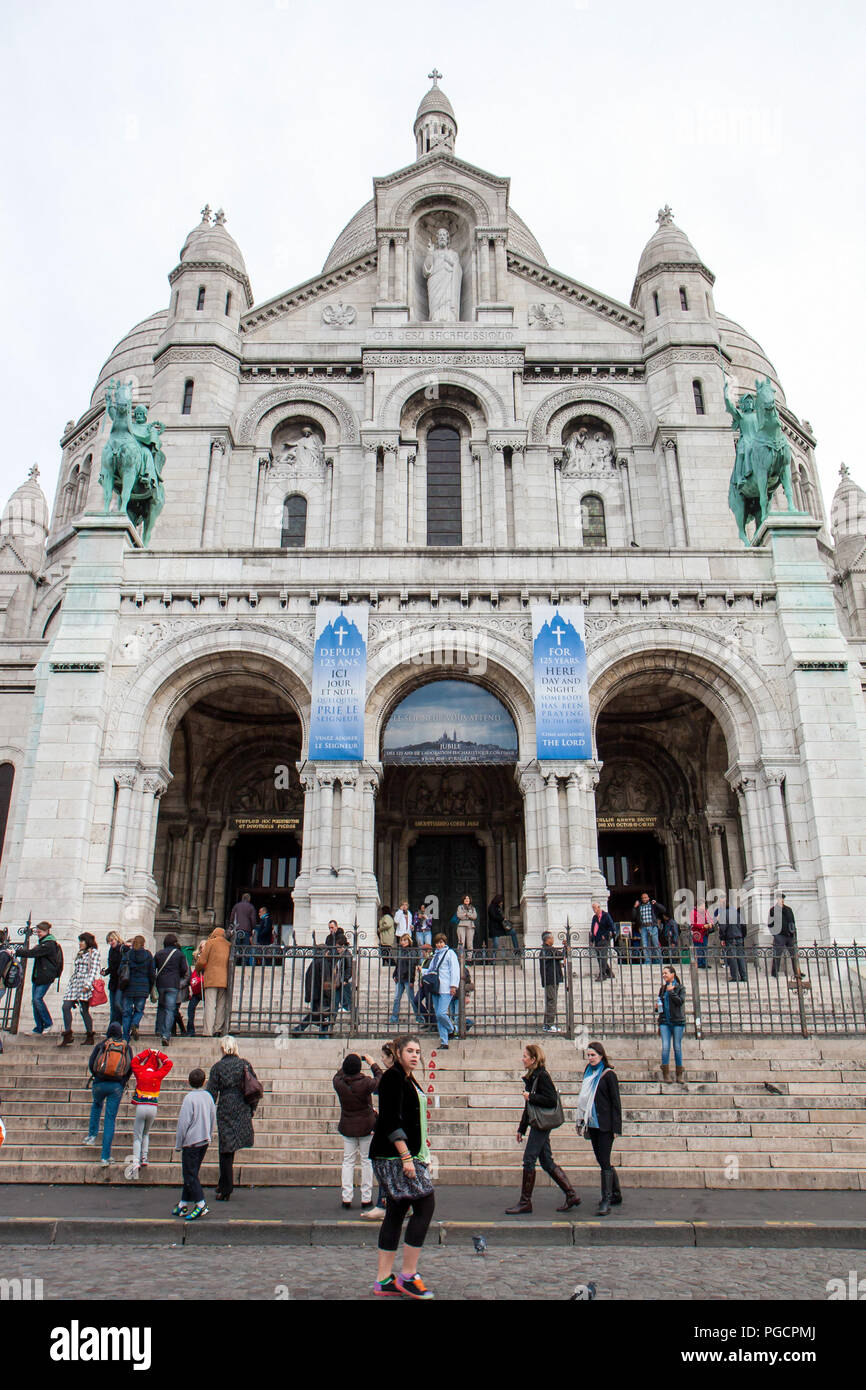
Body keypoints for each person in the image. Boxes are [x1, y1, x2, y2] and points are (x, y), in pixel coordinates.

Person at [369, 1033, 436, 1299]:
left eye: (418, 1052)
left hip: (406, 1154)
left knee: (396, 1210)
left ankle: (383, 1279)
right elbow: (389, 1119)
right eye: (410, 1051)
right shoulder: (393, 1078)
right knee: (425, 1204)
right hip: (395, 1156)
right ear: (398, 1053)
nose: (415, 1056)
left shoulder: (406, 1078)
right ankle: (408, 1275)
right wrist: (407, 1157)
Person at [506, 1042, 579, 1214]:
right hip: (538, 1122)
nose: (522, 1059)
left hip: (542, 1124)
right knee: (546, 1161)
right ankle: (571, 1194)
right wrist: (521, 1128)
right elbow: (528, 1107)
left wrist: (531, 1096)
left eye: (525, 1056)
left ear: (533, 1059)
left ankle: (525, 1201)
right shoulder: (532, 1076)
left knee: (529, 1159)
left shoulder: (542, 1076)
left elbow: (551, 1100)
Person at [206, 1034, 259, 1201]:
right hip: (242, 1104)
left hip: (226, 1106)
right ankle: (224, 1184)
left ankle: (226, 1187)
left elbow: (211, 1092)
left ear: (223, 1048)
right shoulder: (245, 1064)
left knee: (225, 1148)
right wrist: (251, 1108)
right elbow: (253, 1087)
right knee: (230, 1148)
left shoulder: (218, 1067)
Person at [576, 1041, 622, 1216]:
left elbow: (616, 1103)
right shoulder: (588, 1073)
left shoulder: (608, 1075)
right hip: (592, 1123)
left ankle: (606, 1199)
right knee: (603, 1160)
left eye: (593, 1055)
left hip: (605, 1125)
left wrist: (616, 1128)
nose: (590, 1058)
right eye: (588, 1055)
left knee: (604, 1161)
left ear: (601, 1056)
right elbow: (584, 1099)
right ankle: (616, 1193)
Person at [333, 1052, 383, 1209]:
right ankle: (366, 1197)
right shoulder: (366, 1083)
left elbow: (339, 1073)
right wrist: (372, 1063)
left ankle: (346, 1197)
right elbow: (380, 1078)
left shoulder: (338, 1082)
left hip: (347, 1125)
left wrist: (349, 1060)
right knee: (366, 1161)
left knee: (348, 1161)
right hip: (366, 1126)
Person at [83, 1021, 133, 1165]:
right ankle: (105, 1156)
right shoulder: (125, 1047)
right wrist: (122, 1082)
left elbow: (92, 1063)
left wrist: (97, 1076)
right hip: (116, 1085)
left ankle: (92, 1136)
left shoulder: (102, 1045)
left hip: (99, 1083)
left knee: (96, 1106)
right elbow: (130, 1067)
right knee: (110, 1119)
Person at [173, 1067, 217, 1222]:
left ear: (188, 1082)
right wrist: (209, 1135)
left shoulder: (189, 1099)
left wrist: (179, 1143)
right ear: (204, 1081)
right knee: (191, 1173)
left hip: (191, 1142)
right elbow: (213, 1117)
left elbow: (183, 1124)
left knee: (190, 1174)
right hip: (204, 1139)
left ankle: (201, 1203)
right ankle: (183, 1203)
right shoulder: (208, 1097)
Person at [126, 1046, 173, 1179]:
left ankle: (136, 1161)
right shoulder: (158, 1074)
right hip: (153, 1106)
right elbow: (169, 1063)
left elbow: (134, 1061)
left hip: (141, 1106)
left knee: (137, 1135)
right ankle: (145, 1157)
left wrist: (146, 1052)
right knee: (146, 1132)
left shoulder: (140, 1071)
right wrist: (159, 1054)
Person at [361, 1042, 395, 1222]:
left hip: (389, 1129)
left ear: (391, 1057)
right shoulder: (399, 1075)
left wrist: (373, 1065)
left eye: (384, 1056)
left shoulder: (391, 1076)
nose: (382, 1059)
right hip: (392, 1127)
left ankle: (384, 1204)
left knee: (381, 1165)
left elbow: (377, 1085)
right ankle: (405, 1203)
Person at [17, 920, 63, 1035]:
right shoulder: (44, 943)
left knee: (37, 999)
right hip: (38, 976)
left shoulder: (49, 944)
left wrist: (17, 952)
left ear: (46, 931)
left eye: (40, 932)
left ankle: (47, 1023)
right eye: (37, 931)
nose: (38, 933)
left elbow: (32, 953)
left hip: (45, 976)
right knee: (35, 1000)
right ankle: (39, 1027)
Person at [57, 933, 101, 1048]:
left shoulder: (94, 953)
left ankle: (90, 1035)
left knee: (84, 1010)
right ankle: (68, 1034)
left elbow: (93, 970)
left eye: (82, 941)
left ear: (87, 942)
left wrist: (87, 984)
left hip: (84, 983)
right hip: (75, 983)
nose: (80, 943)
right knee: (65, 1006)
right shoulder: (80, 953)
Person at [422, 934, 460, 1050]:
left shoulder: (450, 954)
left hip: (446, 987)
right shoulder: (435, 955)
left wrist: (454, 985)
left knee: (441, 1013)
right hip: (436, 988)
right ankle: (444, 1041)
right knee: (439, 1016)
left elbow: (455, 970)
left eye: (441, 942)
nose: (439, 945)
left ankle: (452, 1029)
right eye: (437, 943)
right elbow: (431, 970)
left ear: (445, 942)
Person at [153, 933, 190, 1046]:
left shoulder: (159, 953)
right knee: (170, 1009)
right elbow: (184, 970)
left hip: (161, 984)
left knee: (161, 1007)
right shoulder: (179, 955)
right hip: (173, 984)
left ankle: (158, 1029)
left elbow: (153, 968)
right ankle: (166, 1034)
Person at [195, 926, 231, 1036]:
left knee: (210, 1005)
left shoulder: (210, 943)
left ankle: (208, 1031)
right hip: (224, 978)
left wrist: (198, 969)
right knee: (221, 1005)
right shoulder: (228, 945)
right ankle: (218, 1029)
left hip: (211, 977)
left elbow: (202, 960)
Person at [121, 936, 155, 1041]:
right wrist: (150, 987)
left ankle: (125, 1037)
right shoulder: (148, 955)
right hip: (143, 987)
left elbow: (120, 970)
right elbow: (152, 973)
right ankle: (135, 1024)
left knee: (126, 1013)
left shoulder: (128, 955)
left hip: (129, 987)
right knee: (139, 1010)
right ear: (143, 943)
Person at [658, 964, 687, 1083]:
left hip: (677, 1021)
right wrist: (657, 1007)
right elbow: (660, 1002)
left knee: (677, 1047)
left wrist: (672, 992)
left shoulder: (680, 988)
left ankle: (679, 1073)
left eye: (666, 973)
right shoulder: (663, 989)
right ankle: (666, 1072)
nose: (664, 975)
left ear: (672, 974)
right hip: (665, 1020)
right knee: (665, 1047)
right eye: (663, 973)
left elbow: (680, 1002)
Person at [390, 934, 422, 1025]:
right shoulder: (400, 951)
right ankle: (394, 1018)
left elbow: (412, 967)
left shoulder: (411, 951)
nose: (403, 942)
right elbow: (398, 964)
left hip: (407, 978)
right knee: (396, 998)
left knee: (412, 999)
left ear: (409, 941)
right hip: (399, 977)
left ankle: (419, 1017)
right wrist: (395, 975)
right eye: (402, 940)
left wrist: (412, 980)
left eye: (405, 940)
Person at [715, 896, 747, 983]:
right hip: (739, 937)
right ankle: (744, 976)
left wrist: (722, 938)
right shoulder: (736, 913)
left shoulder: (724, 914)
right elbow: (743, 925)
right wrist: (743, 935)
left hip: (730, 938)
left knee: (732, 958)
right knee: (740, 957)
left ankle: (735, 977)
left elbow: (722, 928)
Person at [769, 895, 801, 979]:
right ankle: (774, 973)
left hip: (790, 935)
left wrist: (794, 934)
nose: (781, 900)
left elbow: (793, 922)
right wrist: (775, 934)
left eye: (782, 899)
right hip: (779, 935)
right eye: (780, 899)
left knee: (794, 955)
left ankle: (797, 972)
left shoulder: (788, 910)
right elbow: (770, 924)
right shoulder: (773, 910)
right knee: (777, 955)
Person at [539, 930, 564, 1033]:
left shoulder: (546, 950)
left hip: (550, 978)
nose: (553, 939)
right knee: (551, 1002)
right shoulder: (548, 950)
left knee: (550, 1001)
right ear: (548, 940)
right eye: (552, 938)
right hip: (551, 979)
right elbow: (561, 955)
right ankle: (549, 1025)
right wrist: (566, 948)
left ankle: (547, 1024)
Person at [488, 893, 521, 958]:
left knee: (513, 932)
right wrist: (502, 918)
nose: (502, 903)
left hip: (501, 928)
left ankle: (516, 950)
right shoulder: (491, 907)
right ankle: (493, 960)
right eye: (501, 901)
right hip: (494, 929)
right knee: (496, 944)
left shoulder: (498, 908)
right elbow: (494, 916)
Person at [589, 902, 616, 980]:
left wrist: (606, 936)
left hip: (604, 940)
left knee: (603, 957)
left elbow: (611, 927)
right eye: (593, 908)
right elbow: (593, 928)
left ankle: (602, 974)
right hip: (597, 940)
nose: (594, 909)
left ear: (599, 907)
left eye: (595, 907)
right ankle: (610, 973)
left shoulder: (606, 916)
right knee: (599, 957)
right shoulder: (594, 917)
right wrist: (592, 940)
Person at [634, 893, 662, 965]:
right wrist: (635, 907)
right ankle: (647, 961)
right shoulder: (640, 907)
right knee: (645, 944)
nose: (644, 899)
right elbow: (634, 916)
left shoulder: (652, 905)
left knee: (655, 943)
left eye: (645, 897)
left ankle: (659, 960)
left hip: (652, 926)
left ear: (648, 898)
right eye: (643, 898)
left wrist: (656, 904)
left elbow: (663, 909)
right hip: (643, 927)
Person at [690, 901, 711, 969]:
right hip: (697, 933)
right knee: (698, 948)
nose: (703, 907)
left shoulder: (706, 912)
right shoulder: (693, 912)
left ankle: (704, 962)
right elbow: (693, 923)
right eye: (702, 906)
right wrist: (703, 926)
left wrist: (710, 924)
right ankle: (699, 963)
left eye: (704, 906)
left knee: (704, 947)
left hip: (704, 933)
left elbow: (710, 919)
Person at [187, 967, 203, 1037]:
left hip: (205, 989)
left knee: (191, 1009)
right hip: (197, 992)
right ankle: (190, 1030)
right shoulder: (197, 968)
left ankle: (190, 1030)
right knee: (190, 1008)